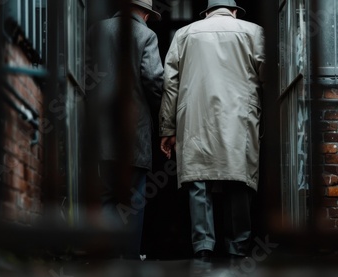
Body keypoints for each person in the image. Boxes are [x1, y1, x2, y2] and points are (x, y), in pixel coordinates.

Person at [159, 0, 266, 260]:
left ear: (206, 12)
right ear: (234, 11)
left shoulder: (184, 34)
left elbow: (170, 84)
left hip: (195, 118)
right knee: (238, 179)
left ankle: (203, 247)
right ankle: (237, 247)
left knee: (199, 180)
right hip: (239, 117)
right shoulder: (254, 32)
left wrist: (168, 127)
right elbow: (268, 77)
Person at [85, 0, 163, 259]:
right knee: (132, 201)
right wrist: (163, 113)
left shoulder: (97, 29)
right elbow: (153, 78)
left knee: (106, 196)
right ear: (145, 13)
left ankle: (103, 257)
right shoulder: (146, 35)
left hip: (102, 128)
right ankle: (129, 260)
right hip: (134, 131)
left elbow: (87, 75)